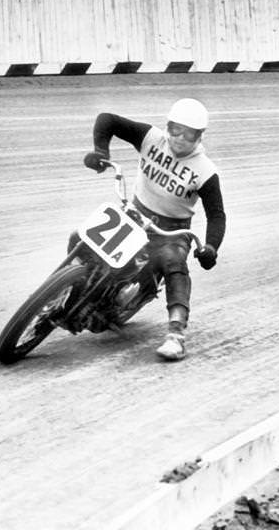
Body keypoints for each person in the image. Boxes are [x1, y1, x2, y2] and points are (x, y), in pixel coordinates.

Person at [82, 98, 226, 361]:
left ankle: (176, 334)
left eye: (188, 133)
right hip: (135, 214)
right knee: (81, 238)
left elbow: (217, 215)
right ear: (167, 126)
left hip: (170, 232)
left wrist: (210, 247)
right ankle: (71, 288)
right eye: (175, 130)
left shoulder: (205, 171)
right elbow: (107, 120)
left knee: (174, 263)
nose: (179, 138)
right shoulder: (151, 138)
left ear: (199, 136)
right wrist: (101, 152)